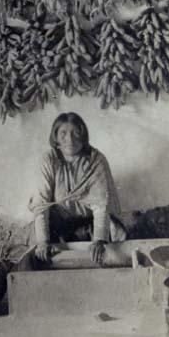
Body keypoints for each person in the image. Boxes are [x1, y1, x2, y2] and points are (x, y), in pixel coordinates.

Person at [28, 112, 127, 265]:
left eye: (76, 133)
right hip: (59, 225)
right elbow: (41, 204)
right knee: (40, 255)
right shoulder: (48, 160)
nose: (70, 139)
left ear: (83, 135)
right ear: (55, 137)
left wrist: (99, 240)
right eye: (63, 133)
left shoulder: (96, 160)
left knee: (109, 255)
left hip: (90, 224)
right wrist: (43, 242)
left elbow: (101, 206)